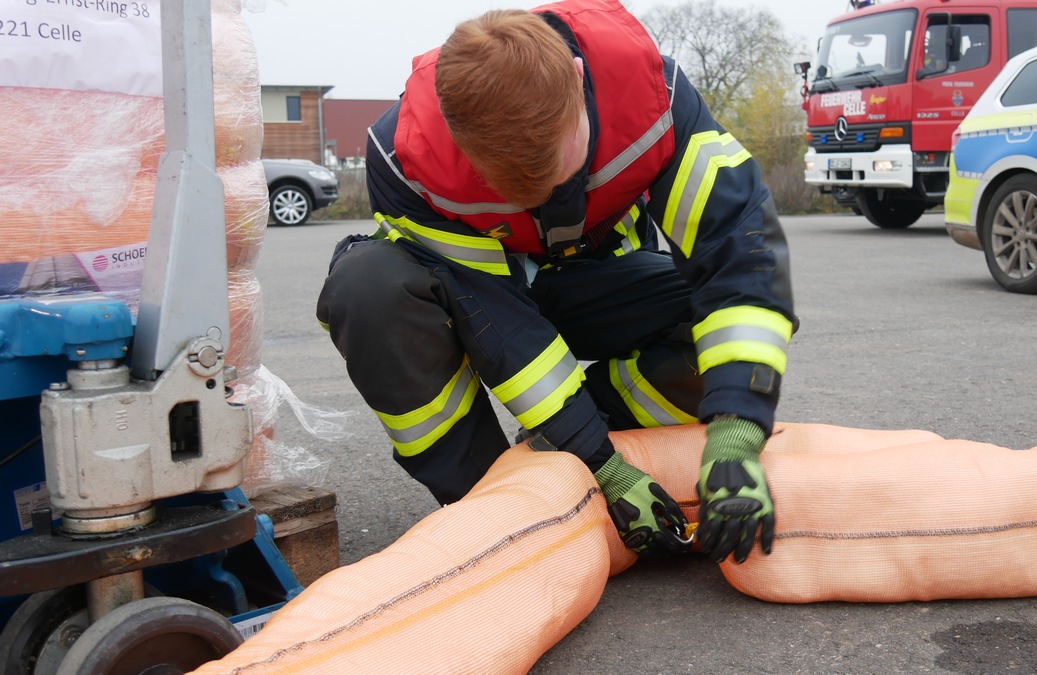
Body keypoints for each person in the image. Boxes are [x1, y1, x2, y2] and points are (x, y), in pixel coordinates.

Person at [316, 0, 796, 564]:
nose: (539, 195)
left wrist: (738, 428)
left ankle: (572, 435)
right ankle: (492, 500)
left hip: (596, 280)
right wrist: (601, 464)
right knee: (368, 287)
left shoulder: (654, 98)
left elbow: (738, 252)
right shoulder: (405, 156)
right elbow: (496, 323)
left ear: (575, 74)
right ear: (456, 130)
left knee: (719, 316)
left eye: (553, 164)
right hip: (485, 300)